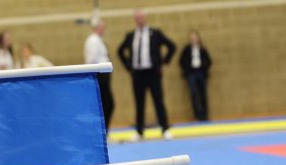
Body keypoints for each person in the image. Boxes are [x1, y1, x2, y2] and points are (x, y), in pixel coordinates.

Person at [117, 10, 176, 140]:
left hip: (153, 73)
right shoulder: (131, 35)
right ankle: (139, 131)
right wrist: (128, 66)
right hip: (138, 74)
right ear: (135, 20)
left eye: (141, 17)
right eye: (137, 18)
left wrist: (164, 61)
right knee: (139, 102)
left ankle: (165, 128)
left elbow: (172, 46)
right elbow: (120, 51)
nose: (140, 20)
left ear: (145, 18)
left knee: (158, 100)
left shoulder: (155, 33)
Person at [84, 18, 114, 127]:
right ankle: (103, 131)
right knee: (108, 104)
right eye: (102, 28)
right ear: (97, 28)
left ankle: (104, 131)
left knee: (107, 105)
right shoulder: (93, 41)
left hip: (103, 75)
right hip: (99, 75)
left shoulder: (98, 40)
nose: (104, 30)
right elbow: (91, 60)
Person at [179, 29, 212, 122]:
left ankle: (205, 115)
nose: (193, 39)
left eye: (195, 37)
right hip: (191, 73)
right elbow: (181, 61)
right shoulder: (187, 49)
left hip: (200, 72)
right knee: (194, 93)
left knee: (203, 94)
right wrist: (187, 70)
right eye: (192, 38)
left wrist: (204, 68)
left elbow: (209, 61)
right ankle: (197, 115)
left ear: (198, 38)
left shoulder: (202, 49)